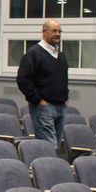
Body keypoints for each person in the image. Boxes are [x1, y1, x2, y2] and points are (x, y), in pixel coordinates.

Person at [16, 19, 69, 147]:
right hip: (44, 107)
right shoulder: (34, 53)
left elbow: (63, 79)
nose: (57, 34)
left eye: (59, 31)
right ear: (44, 32)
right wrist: (38, 100)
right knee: (49, 146)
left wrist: (66, 97)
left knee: (56, 145)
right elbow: (23, 79)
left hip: (61, 107)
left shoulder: (61, 56)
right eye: (54, 31)